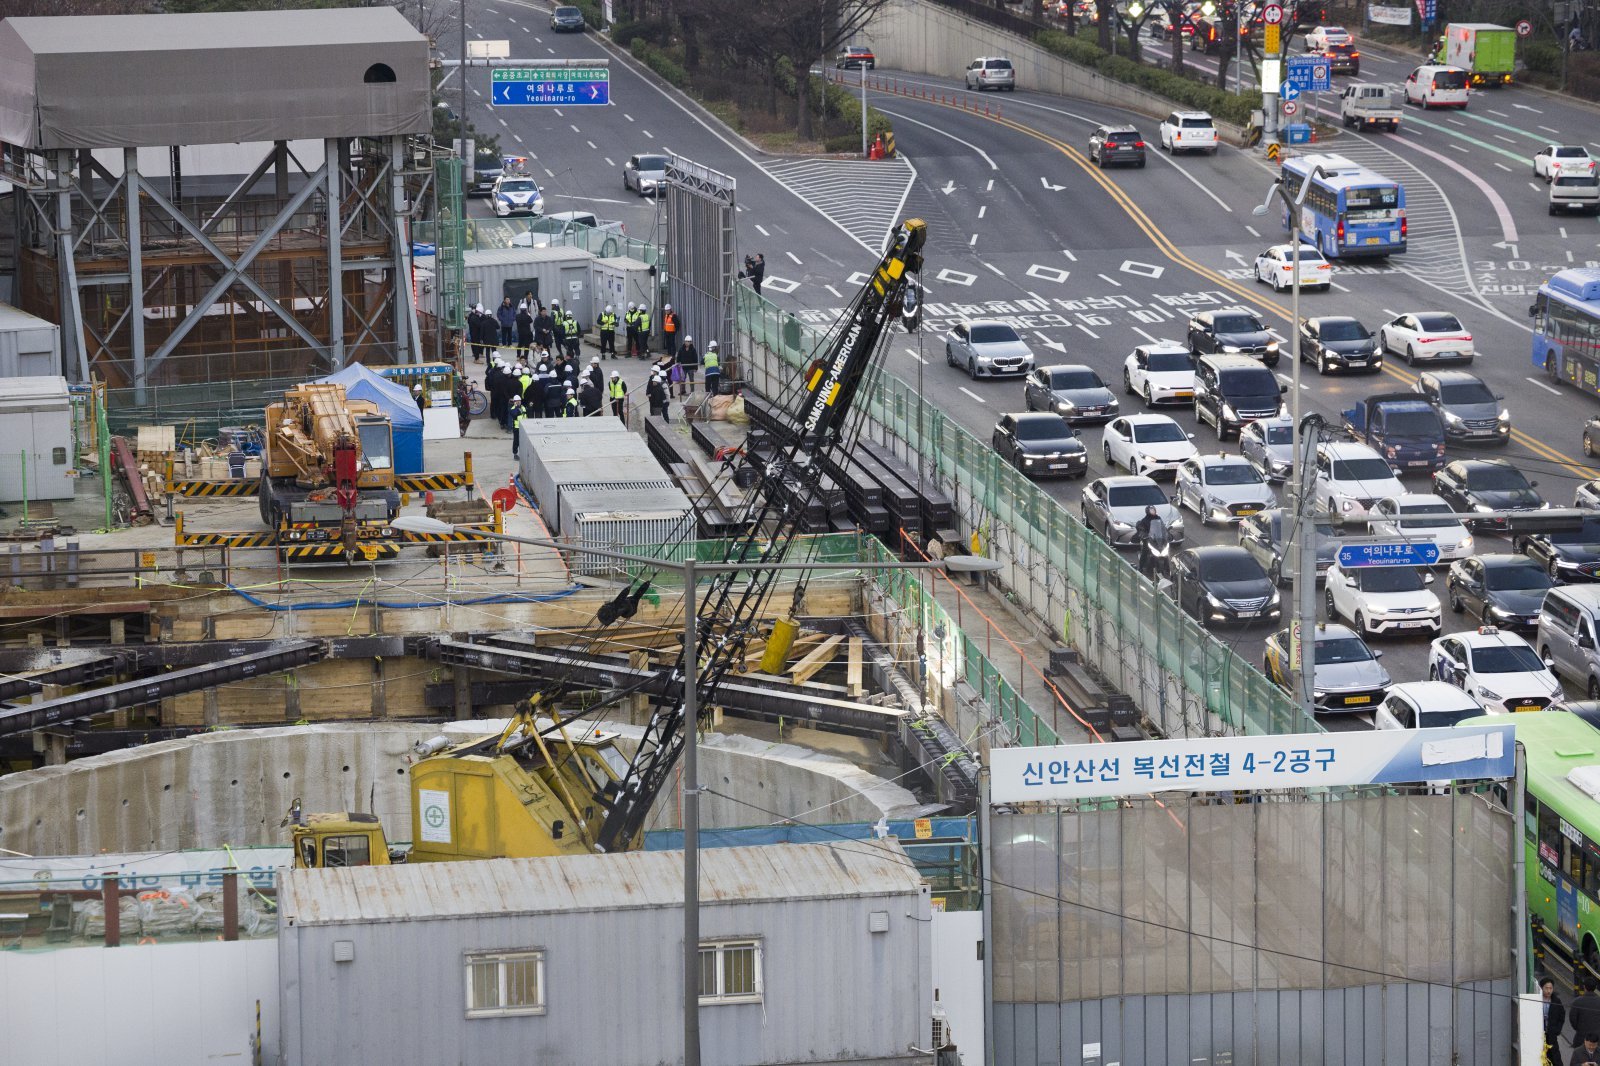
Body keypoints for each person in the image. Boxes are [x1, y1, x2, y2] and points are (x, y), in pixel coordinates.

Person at [1135, 505, 1167, 579]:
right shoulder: (1144, 520)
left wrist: (1166, 533)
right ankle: (1140, 568)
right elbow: (1140, 527)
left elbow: (1162, 527)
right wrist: (1143, 533)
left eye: (1154, 510)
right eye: (1151, 510)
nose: (1153, 512)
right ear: (1148, 511)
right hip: (1148, 539)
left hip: (1158, 539)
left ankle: (1168, 569)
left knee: (1166, 552)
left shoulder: (1158, 518)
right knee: (1145, 551)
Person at [1546, 977, 1568, 1066]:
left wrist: (1557, 1030)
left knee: (1555, 1056)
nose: (1548, 991)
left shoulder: (1556, 1001)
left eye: (1550, 988)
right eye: (1546, 988)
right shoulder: (1538, 1000)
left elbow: (1561, 1016)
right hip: (1541, 1034)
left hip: (1552, 1034)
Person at [1573, 980, 1600, 1047]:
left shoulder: (1577, 1001)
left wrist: (1579, 1028)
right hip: (1597, 1039)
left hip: (1581, 1038)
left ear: (1584, 987)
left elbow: (1573, 1019)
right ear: (1595, 988)